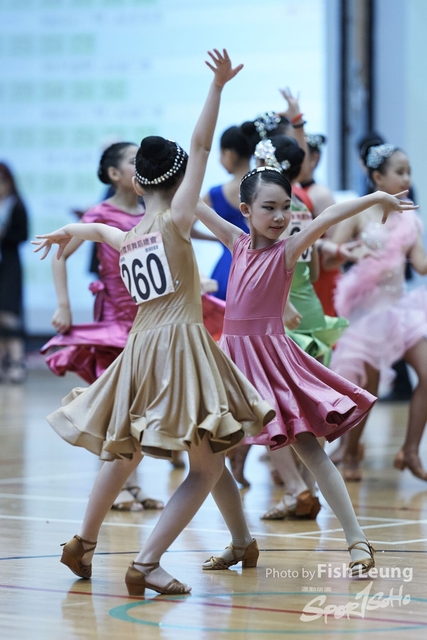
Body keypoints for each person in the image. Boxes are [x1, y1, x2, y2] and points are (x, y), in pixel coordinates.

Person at [33, 49, 275, 596]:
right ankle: (146, 562)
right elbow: (201, 145)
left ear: (138, 185)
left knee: (138, 450)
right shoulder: (176, 220)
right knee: (206, 465)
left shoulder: (128, 234)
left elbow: (97, 232)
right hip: (181, 348)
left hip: (140, 348)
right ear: (181, 179)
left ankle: (86, 542)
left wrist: (70, 230)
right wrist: (217, 87)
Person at [195, 165, 417, 574]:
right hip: (230, 365)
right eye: (269, 207)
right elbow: (193, 204)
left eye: (286, 207)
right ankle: (241, 542)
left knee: (311, 450)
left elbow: (329, 216)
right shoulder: (235, 242)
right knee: (208, 456)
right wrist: (164, 179)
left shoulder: (287, 250)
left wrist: (376, 198)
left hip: (271, 364)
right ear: (245, 210)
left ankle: (357, 540)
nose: (280, 216)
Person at [41, 142, 163, 511]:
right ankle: (114, 488)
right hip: (113, 320)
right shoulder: (100, 213)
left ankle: (131, 484)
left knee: (138, 405)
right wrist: (64, 304)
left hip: (146, 320)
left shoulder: (151, 210)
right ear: (113, 174)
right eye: (133, 161)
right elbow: (60, 255)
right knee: (117, 406)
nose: (139, 167)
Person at [330, 142, 427, 482]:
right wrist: (349, 252)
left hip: (400, 311)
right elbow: (329, 257)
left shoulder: (409, 216)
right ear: (377, 178)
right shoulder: (359, 213)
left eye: (409, 171)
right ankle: (350, 450)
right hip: (367, 316)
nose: (407, 178)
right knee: (367, 391)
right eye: (400, 171)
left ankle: (410, 451)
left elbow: (420, 264)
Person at [191, 125, 254, 300]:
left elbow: (188, 230)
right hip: (263, 263)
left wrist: (222, 239)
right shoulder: (267, 187)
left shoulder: (216, 194)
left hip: (229, 267)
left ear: (229, 154)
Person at [0, 162, 28, 384]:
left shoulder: (16, 205)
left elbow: (23, 235)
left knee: (9, 315)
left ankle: (17, 361)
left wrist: (4, 234)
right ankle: (3, 363)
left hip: (9, 265)